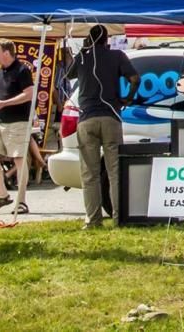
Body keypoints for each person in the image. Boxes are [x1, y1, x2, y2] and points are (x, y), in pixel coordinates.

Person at [65, 25, 138, 228]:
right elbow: (135, 79)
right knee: (115, 172)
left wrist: (83, 51)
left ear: (89, 39)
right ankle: (119, 218)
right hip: (111, 117)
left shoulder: (82, 57)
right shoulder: (117, 56)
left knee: (90, 173)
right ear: (107, 40)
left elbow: (68, 76)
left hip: (87, 119)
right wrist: (127, 99)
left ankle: (93, 220)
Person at [0, 41, 35, 214]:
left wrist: (4, 103)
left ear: (7, 53)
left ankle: (22, 201)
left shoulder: (22, 70)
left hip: (18, 120)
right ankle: (3, 195)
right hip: (0, 120)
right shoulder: (0, 71)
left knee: (18, 159)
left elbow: (29, 94)